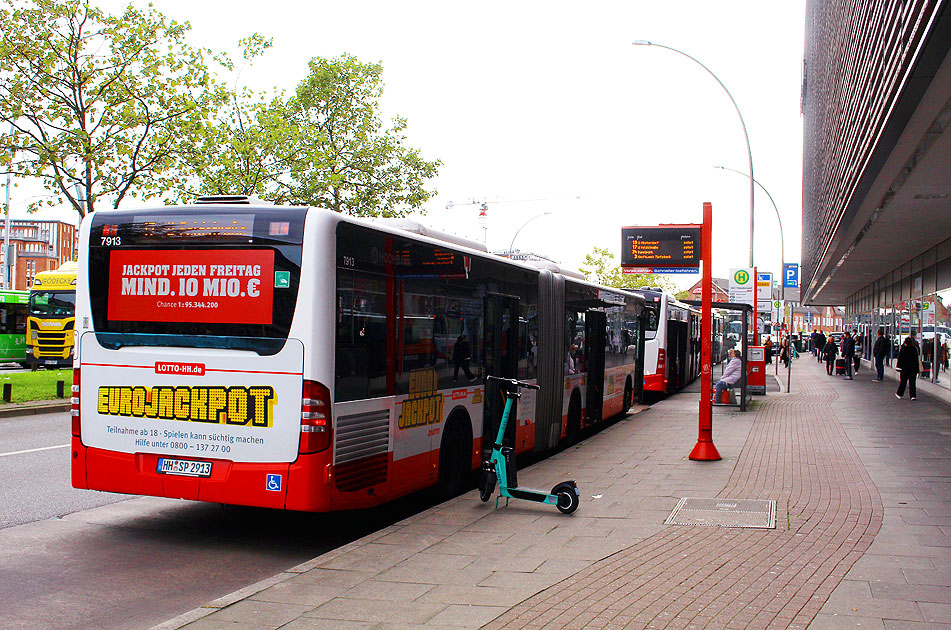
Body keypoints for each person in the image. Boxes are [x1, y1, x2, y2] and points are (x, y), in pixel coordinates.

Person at [895, 335, 920, 400]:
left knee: (903, 382)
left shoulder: (903, 349)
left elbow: (900, 359)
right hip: (913, 369)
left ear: (905, 342)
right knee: (912, 382)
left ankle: (900, 394)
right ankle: (913, 396)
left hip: (904, 369)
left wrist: (898, 367)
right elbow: (916, 360)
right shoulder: (914, 349)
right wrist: (917, 369)